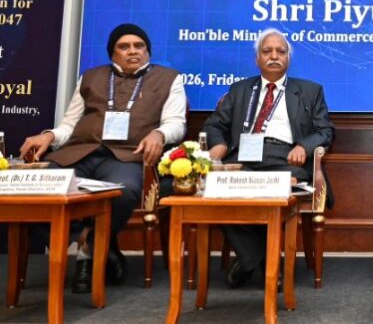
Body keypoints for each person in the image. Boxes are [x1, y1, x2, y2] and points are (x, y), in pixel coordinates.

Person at [19, 23, 186, 293]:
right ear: (112, 53)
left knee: (126, 190)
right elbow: (69, 125)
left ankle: (87, 252)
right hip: (79, 153)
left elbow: (176, 122)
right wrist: (49, 135)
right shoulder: (90, 77)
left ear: (147, 51)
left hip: (126, 157)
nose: (133, 51)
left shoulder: (169, 78)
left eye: (139, 46)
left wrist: (159, 134)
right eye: (124, 47)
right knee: (37, 188)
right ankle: (94, 241)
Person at [203, 28, 334, 288]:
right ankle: (263, 262)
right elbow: (214, 125)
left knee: (276, 191)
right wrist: (218, 146)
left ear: (288, 58)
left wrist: (304, 146)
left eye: (280, 51)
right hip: (243, 159)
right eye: (267, 51)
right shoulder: (240, 90)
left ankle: (248, 260)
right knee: (217, 190)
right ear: (257, 59)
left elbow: (325, 131)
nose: (274, 56)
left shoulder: (309, 91)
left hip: (286, 159)